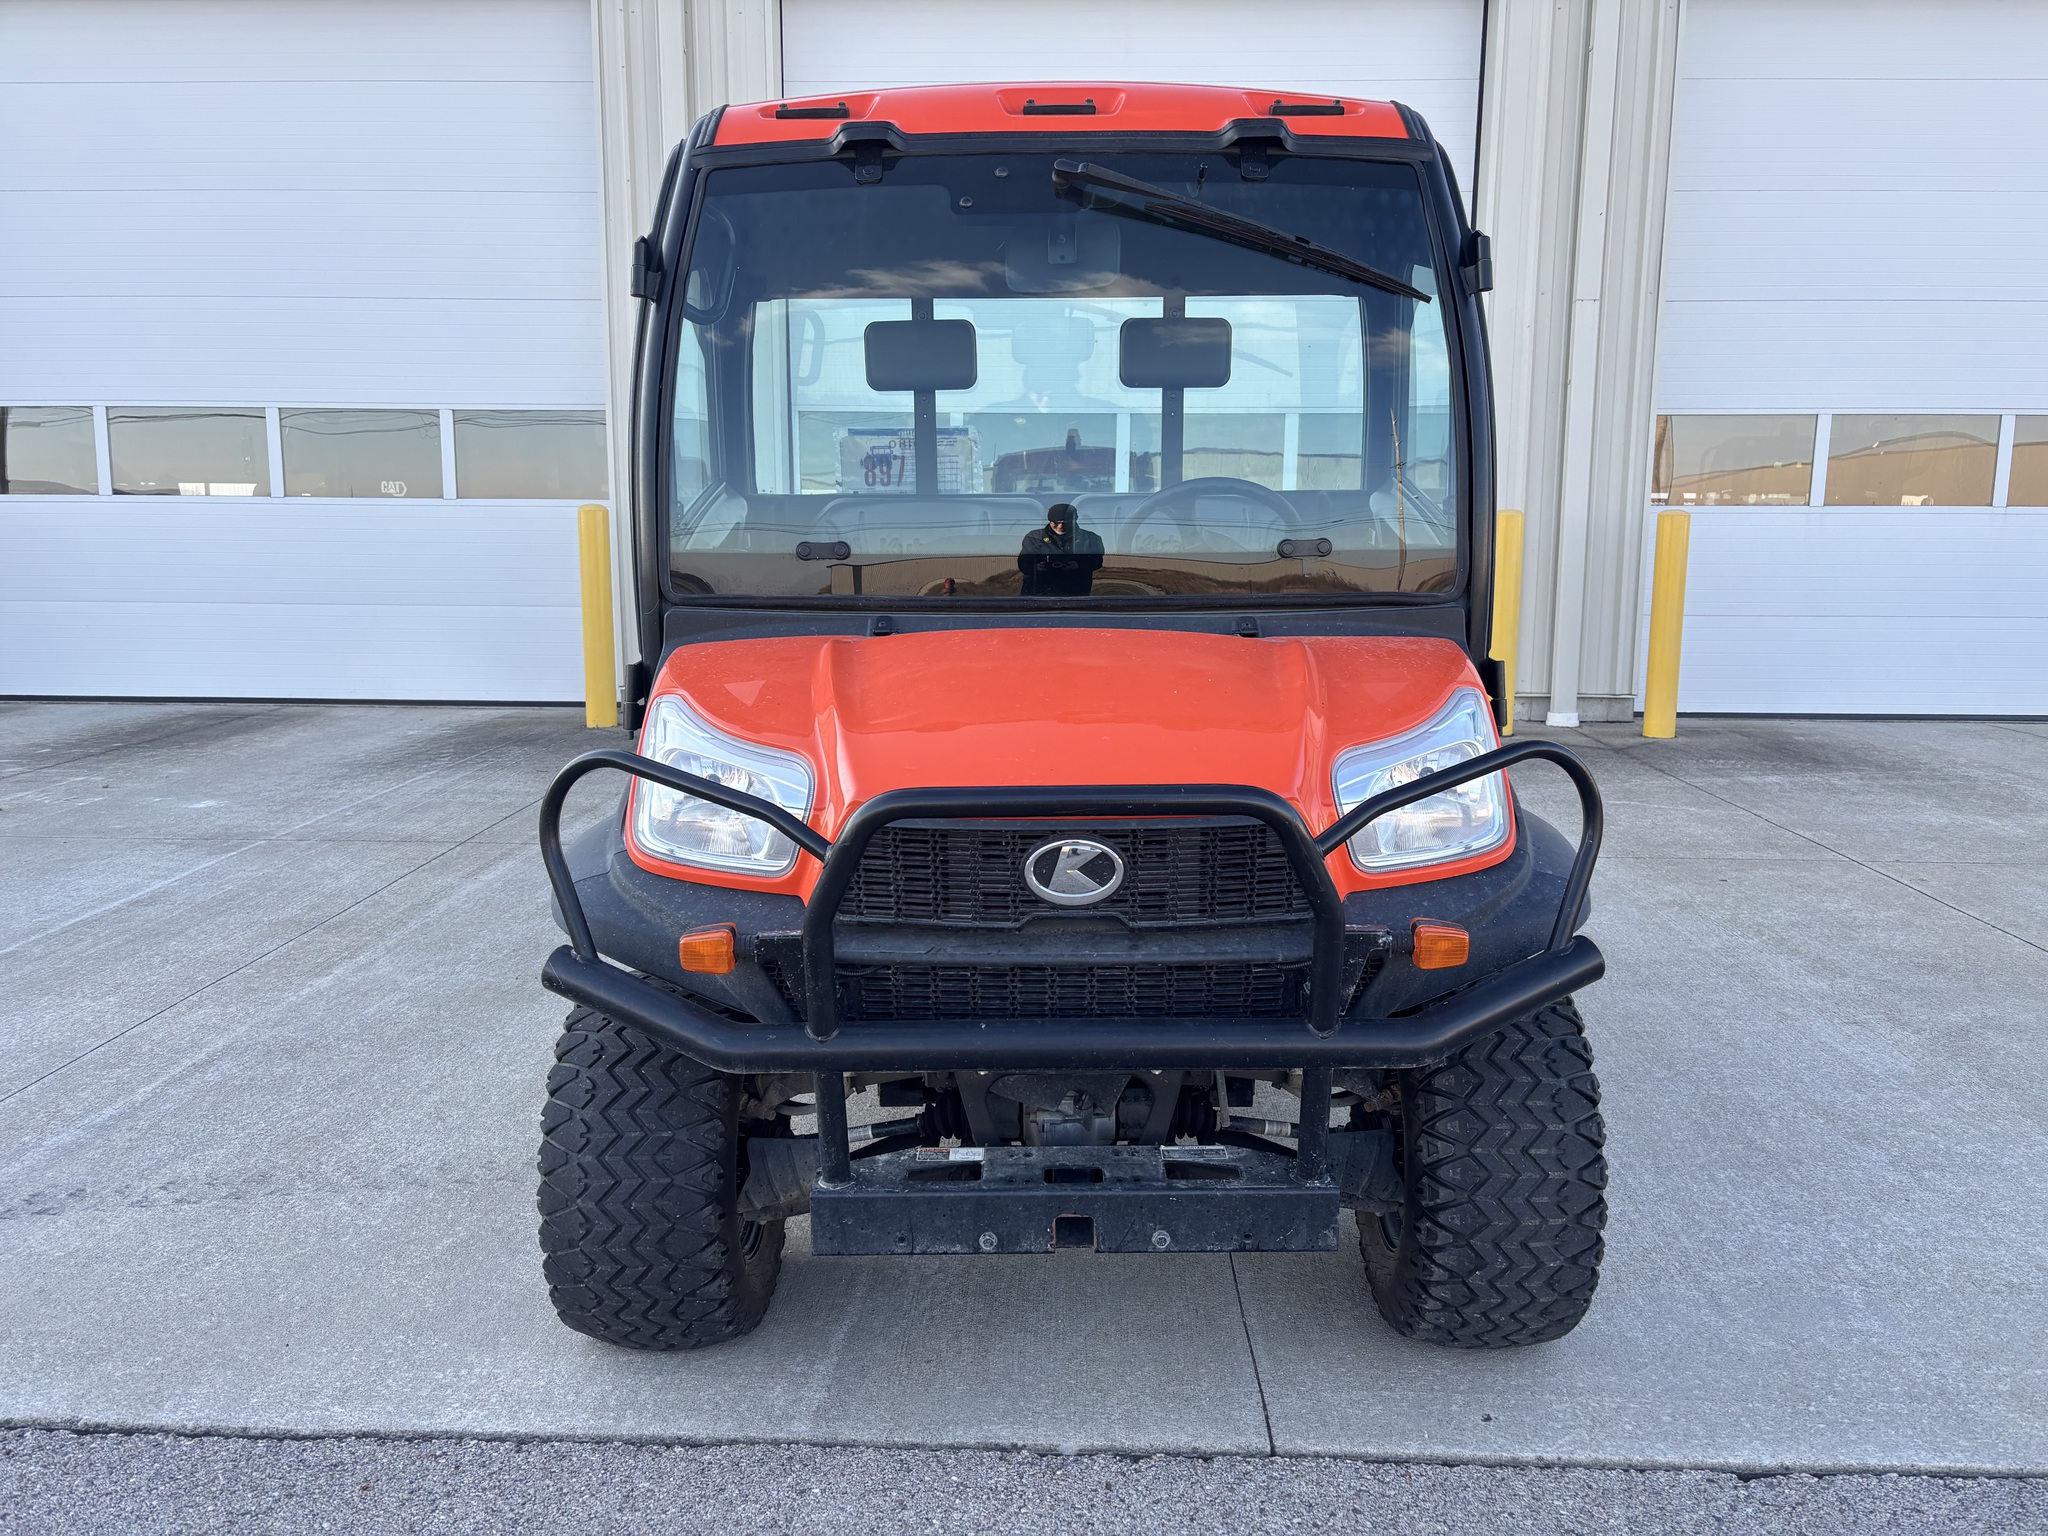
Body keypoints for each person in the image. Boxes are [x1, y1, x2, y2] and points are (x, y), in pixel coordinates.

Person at [1017, 503, 1104, 597]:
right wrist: (1036, 567)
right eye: (1056, 523)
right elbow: (1023, 564)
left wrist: (1079, 566)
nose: (1060, 526)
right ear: (1049, 521)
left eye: (1065, 523)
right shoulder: (1034, 538)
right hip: (1038, 596)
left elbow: (1097, 562)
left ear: (1075, 520)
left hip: (1077, 595)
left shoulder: (1091, 539)